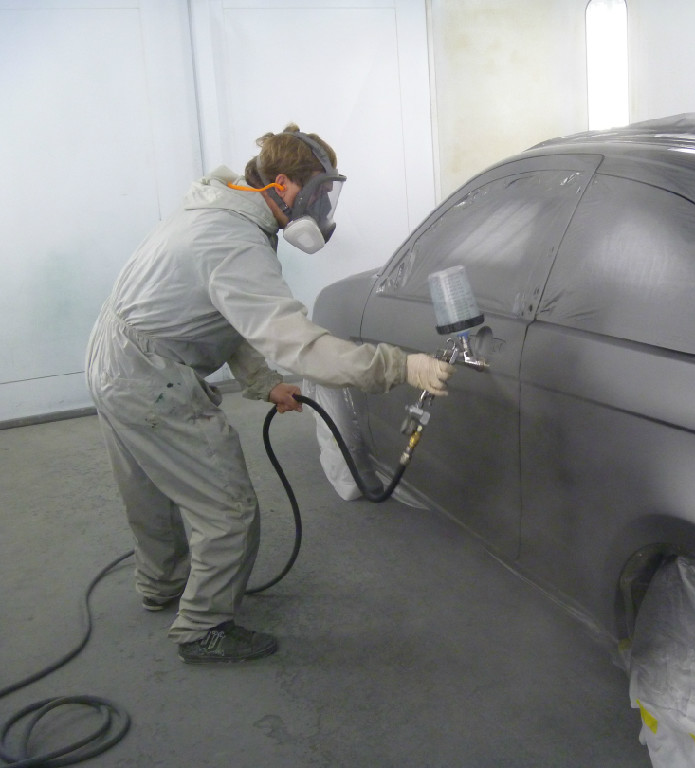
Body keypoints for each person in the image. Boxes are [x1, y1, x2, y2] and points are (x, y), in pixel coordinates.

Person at [85, 123, 453, 664]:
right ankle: (203, 627)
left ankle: (161, 583)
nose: (323, 207)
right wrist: (401, 366)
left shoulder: (218, 213)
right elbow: (303, 346)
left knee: (151, 486)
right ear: (283, 184)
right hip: (149, 375)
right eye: (317, 193)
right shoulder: (233, 242)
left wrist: (262, 384)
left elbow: (223, 316)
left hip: (113, 360)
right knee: (227, 508)